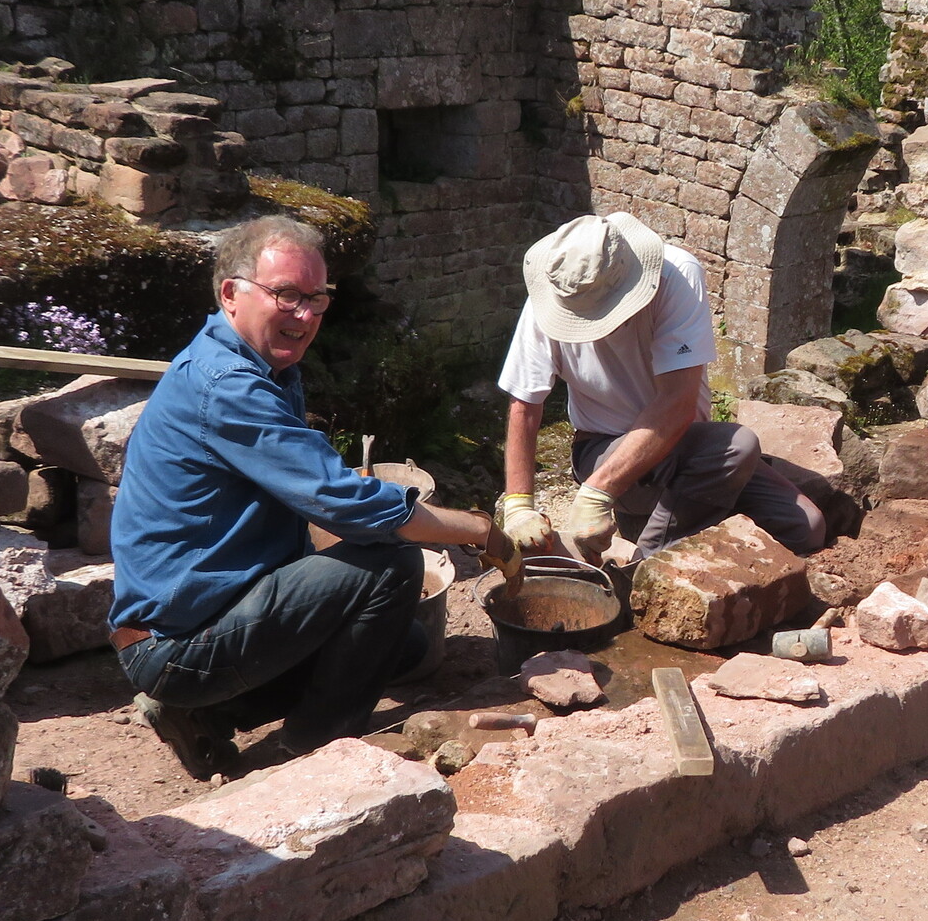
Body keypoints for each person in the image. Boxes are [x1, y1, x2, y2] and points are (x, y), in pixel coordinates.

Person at [109, 215, 503, 779]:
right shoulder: (228, 386)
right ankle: (309, 754)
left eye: (317, 298)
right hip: (177, 643)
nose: (305, 314)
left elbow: (323, 497)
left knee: (405, 647)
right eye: (287, 294)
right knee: (393, 566)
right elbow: (347, 502)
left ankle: (206, 713)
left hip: (208, 614)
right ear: (231, 294)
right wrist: (482, 531)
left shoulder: (262, 366)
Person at [496, 211, 827, 564]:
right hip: (605, 449)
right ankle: (645, 568)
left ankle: (667, 528)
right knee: (737, 445)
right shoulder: (555, 296)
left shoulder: (676, 275)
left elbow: (677, 402)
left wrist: (595, 495)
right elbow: (525, 405)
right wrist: (518, 505)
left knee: (805, 527)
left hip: (688, 449)